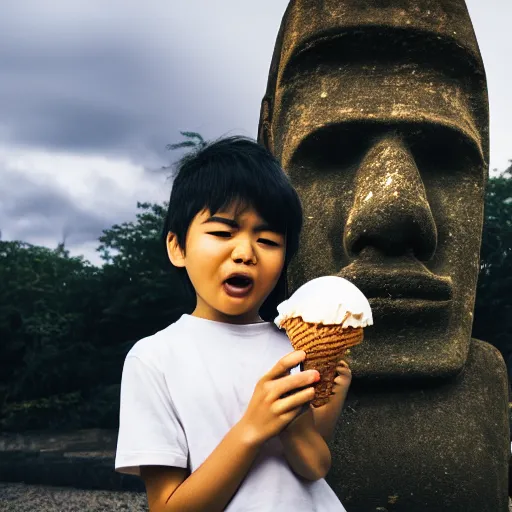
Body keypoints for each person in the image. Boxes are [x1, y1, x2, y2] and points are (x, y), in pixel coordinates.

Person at [114, 136, 352, 511]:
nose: (245, 253)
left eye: (269, 240)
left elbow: (315, 468)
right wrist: (251, 429)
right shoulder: (154, 358)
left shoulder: (296, 348)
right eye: (223, 233)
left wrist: (325, 405)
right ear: (178, 247)